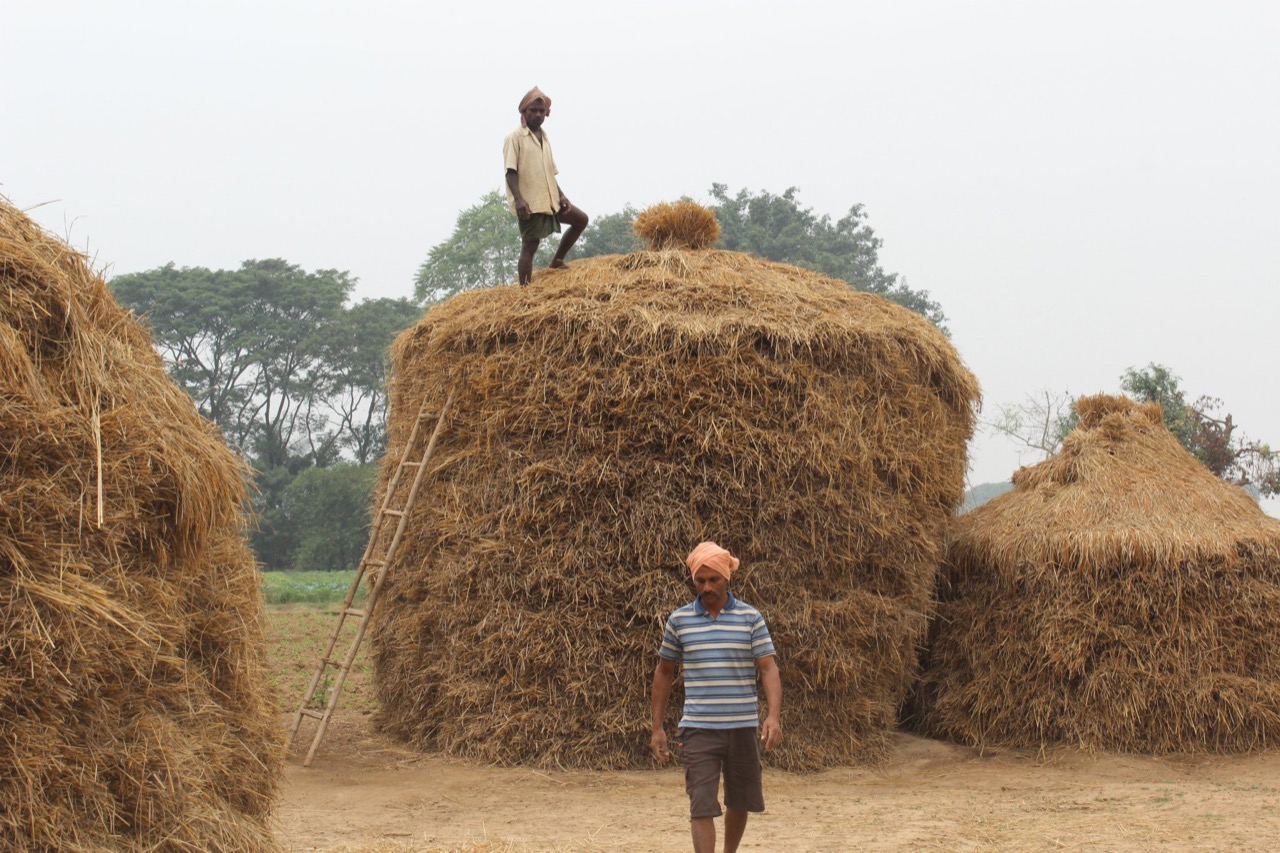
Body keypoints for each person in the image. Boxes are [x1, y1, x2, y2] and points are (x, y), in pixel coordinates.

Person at [650, 541, 783, 853]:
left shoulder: (751, 618)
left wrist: (773, 716)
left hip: (742, 726)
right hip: (698, 729)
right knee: (702, 802)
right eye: (700, 580)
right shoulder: (679, 621)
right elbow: (664, 672)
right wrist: (657, 727)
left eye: (714, 580)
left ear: (728, 578)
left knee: (740, 799)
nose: (707, 587)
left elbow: (768, 668)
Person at [503, 86, 589, 286]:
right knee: (530, 247)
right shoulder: (514, 138)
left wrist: (562, 196)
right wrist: (519, 199)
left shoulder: (545, 137)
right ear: (524, 111)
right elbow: (510, 172)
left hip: (551, 199)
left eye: (542, 111)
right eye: (533, 110)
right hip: (531, 203)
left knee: (581, 220)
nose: (538, 114)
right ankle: (524, 291)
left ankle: (557, 261)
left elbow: (549, 173)